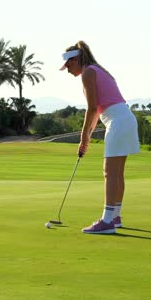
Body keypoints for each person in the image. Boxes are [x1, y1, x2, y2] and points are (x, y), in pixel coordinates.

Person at [60, 41, 140, 234]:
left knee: (109, 173)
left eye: (69, 65)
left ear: (76, 59)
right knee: (117, 173)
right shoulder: (96, 69)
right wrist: (86, 137)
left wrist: (83, 137)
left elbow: (92, 108)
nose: (68, 70)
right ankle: (115, 216)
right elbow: (96, 112)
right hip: (126, 119)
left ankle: (107, 220)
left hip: (118, 122)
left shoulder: (88, 72)